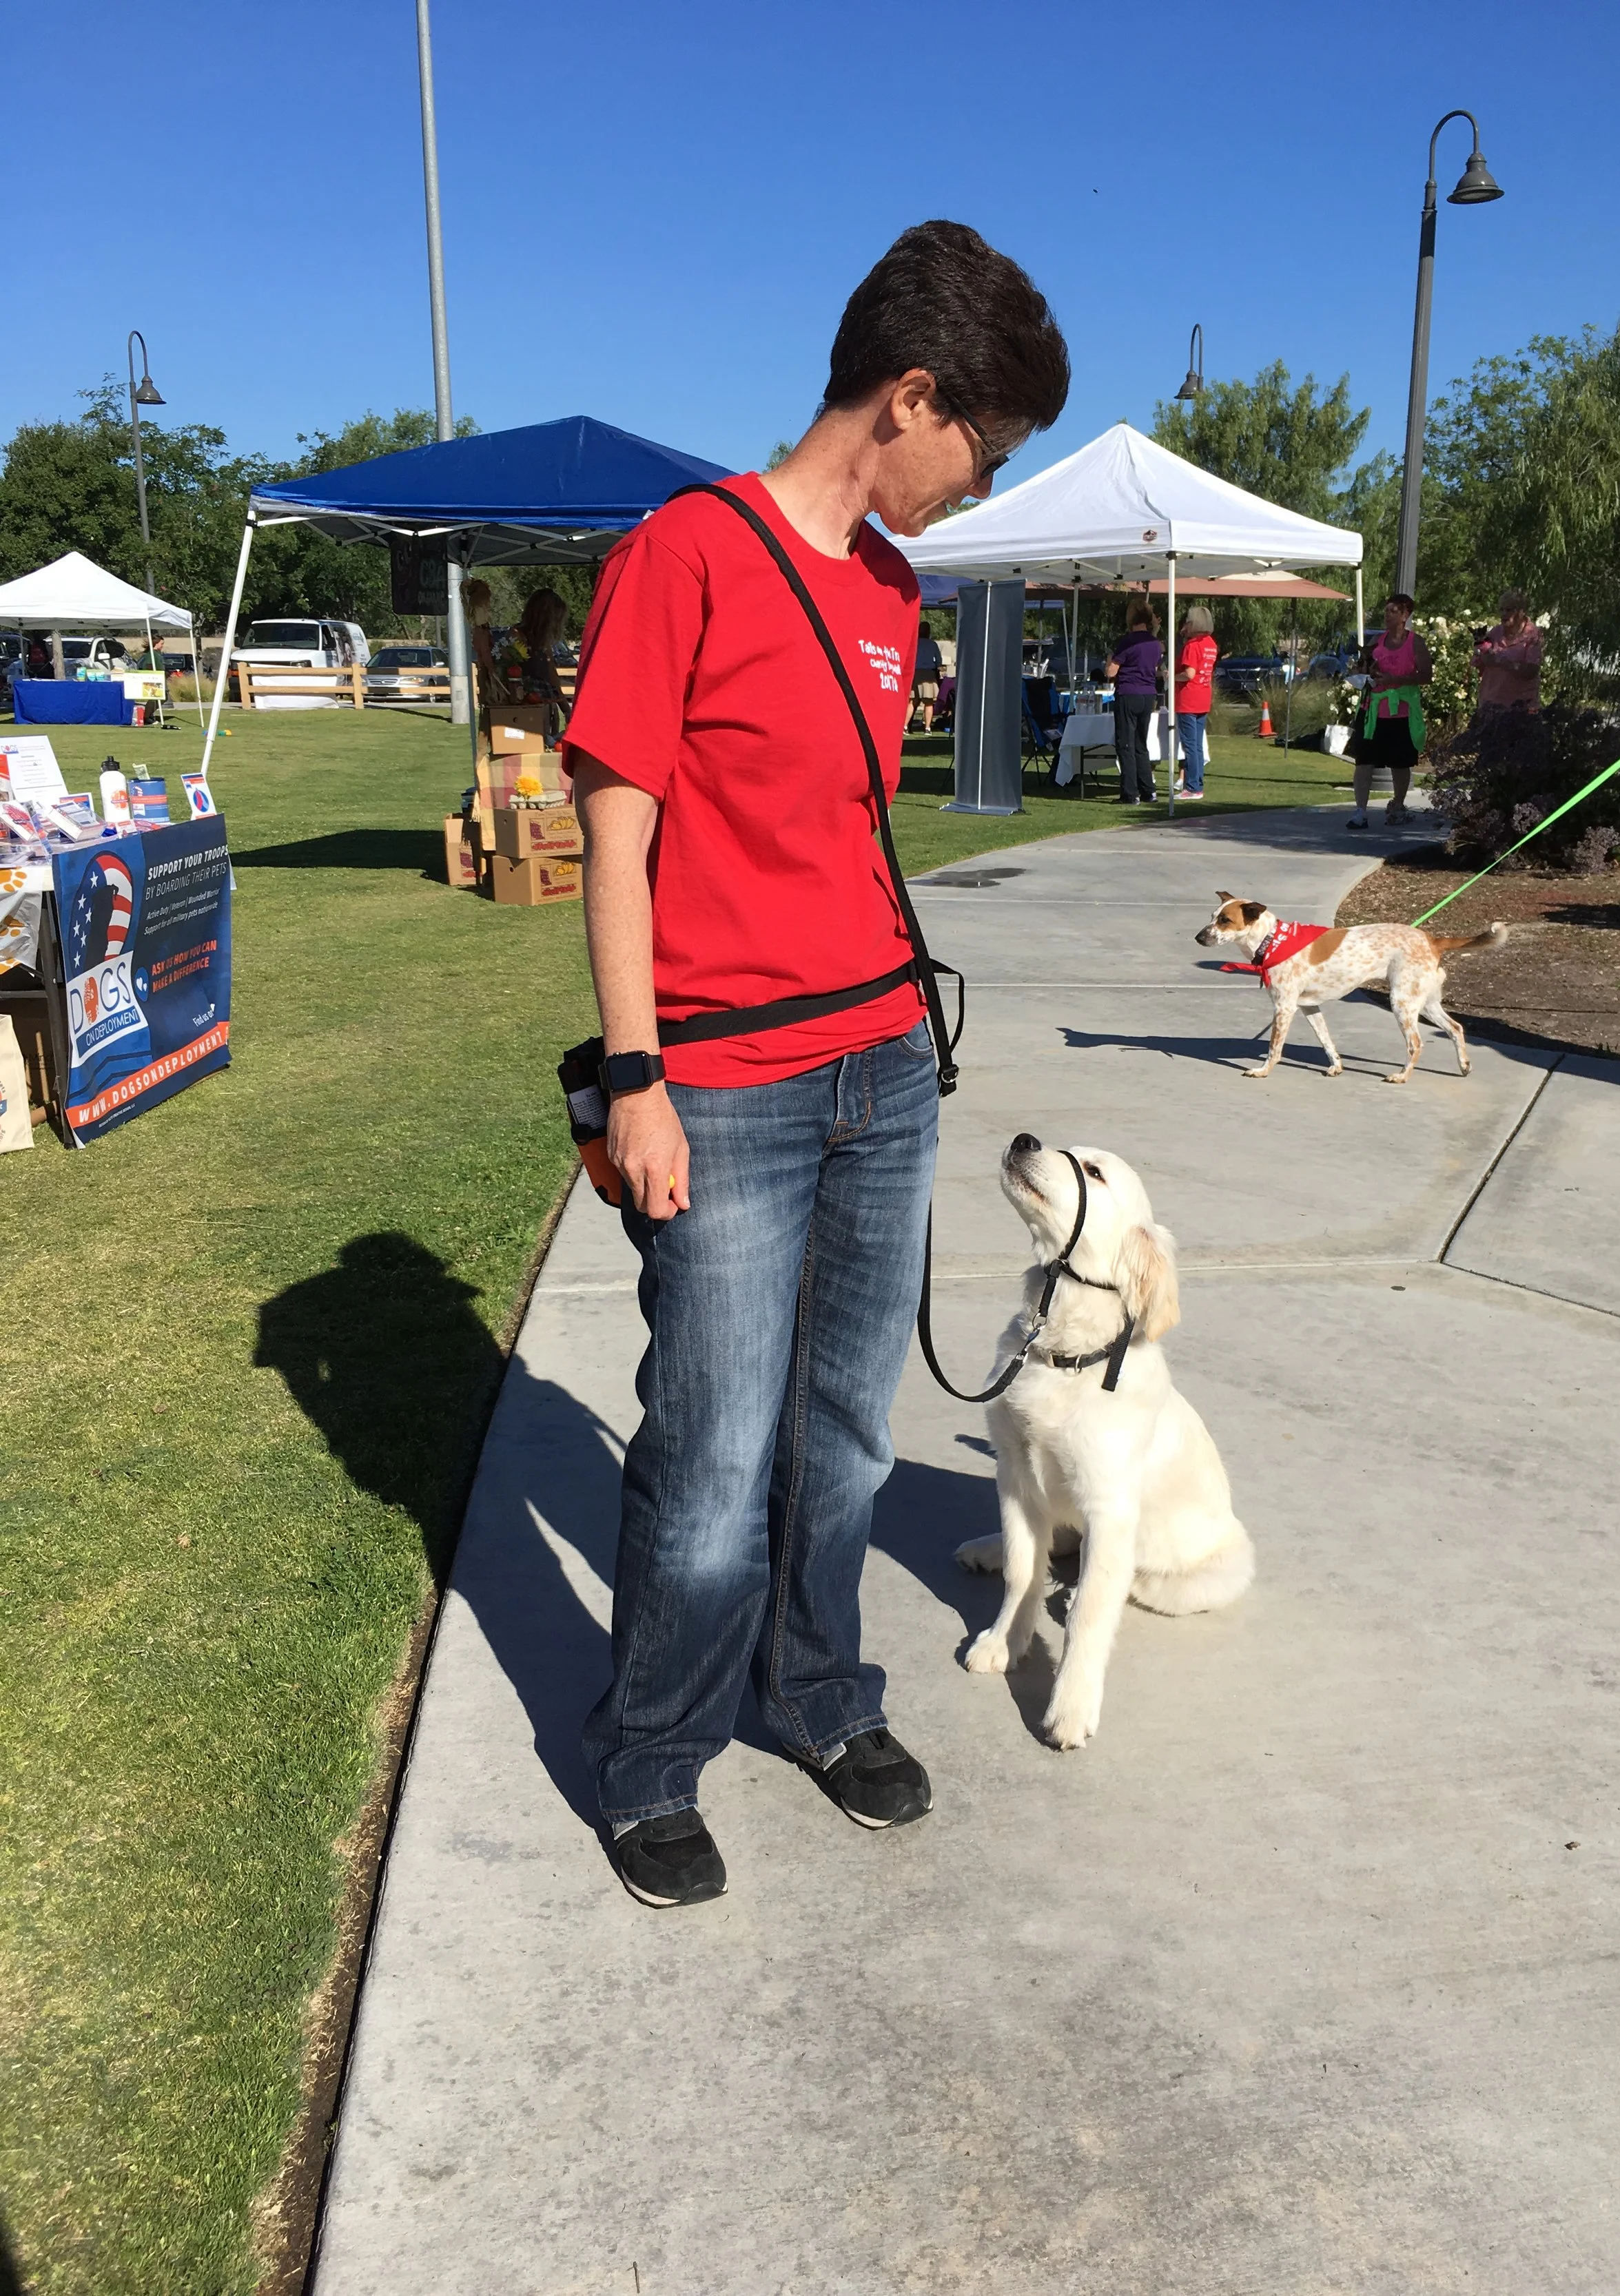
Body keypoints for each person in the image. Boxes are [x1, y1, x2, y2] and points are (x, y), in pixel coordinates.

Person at [564, 218, 1069, 1909]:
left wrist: (904, 1048)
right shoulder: (684, 554)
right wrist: (633, 1077)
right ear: (911, 398)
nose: (975, 488)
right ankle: (649, 1754)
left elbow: (834, 836)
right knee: (708, 1451)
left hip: (880, 1068)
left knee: (846, 1432)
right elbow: (613, 833)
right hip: (716, 1084)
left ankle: (814, 1690)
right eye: (980, 452)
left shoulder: (894, 592)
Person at [1349, 591, 1433, 829]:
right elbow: (1364, 666)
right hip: (1373, 710)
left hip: (1401, 711)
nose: (1388, 615)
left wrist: (1395, 679)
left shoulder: (1415, 642)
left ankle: (1397, 805)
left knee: (1400, 763)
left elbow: (1426, 676)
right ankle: (1360, 812)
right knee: (1364, 761)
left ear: (1405, 615)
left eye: (1393, 611)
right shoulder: (1377, 642)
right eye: (1386, 610)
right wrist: (1363, 671)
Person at [1103, 604, 1163, 804]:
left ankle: (1130, 792)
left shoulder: (1127, 642)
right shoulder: (1155, 644)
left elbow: (1112, 672)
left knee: (1125, 744)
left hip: (1129, 692)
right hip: (1148, 694)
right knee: (1141, 744)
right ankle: (1148, 790)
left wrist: (1110, 660)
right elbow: (1154, 668)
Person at [498, 587, 571, 736]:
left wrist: (566, 710)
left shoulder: (543, 643)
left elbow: (552, 677)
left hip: (545, 709)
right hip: (524, 712)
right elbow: (506, 676)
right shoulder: (516, 637)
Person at [1472, 588, 1543, 717]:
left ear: (1522, 612)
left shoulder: (1533, 636)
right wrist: (1481, 656)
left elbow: (1531, 671)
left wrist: (1503, 663)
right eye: (1502, 610)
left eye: (1509, 610)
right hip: (1490, 705)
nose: (1504, 614)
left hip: (1520, 709)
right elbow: (1479, 661)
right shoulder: (1496, 632)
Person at [1173, 606, 1217, 798]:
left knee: (1190, 745)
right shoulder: (1210, 644)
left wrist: (1172, 677)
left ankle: (1192, 787)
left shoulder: (1192, 646)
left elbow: (1189, 674)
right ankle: (1198, 783)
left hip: (1188, 699)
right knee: (1197, 745)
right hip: (1204, 697)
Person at [910, 618, 942, 732]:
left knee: (913, 701)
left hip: (915, 674)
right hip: (928, 675)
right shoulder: (933, 645)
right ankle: (927, 728)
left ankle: (904, 727)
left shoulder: (913, 643)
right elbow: (939, 662)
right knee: (928, 703)